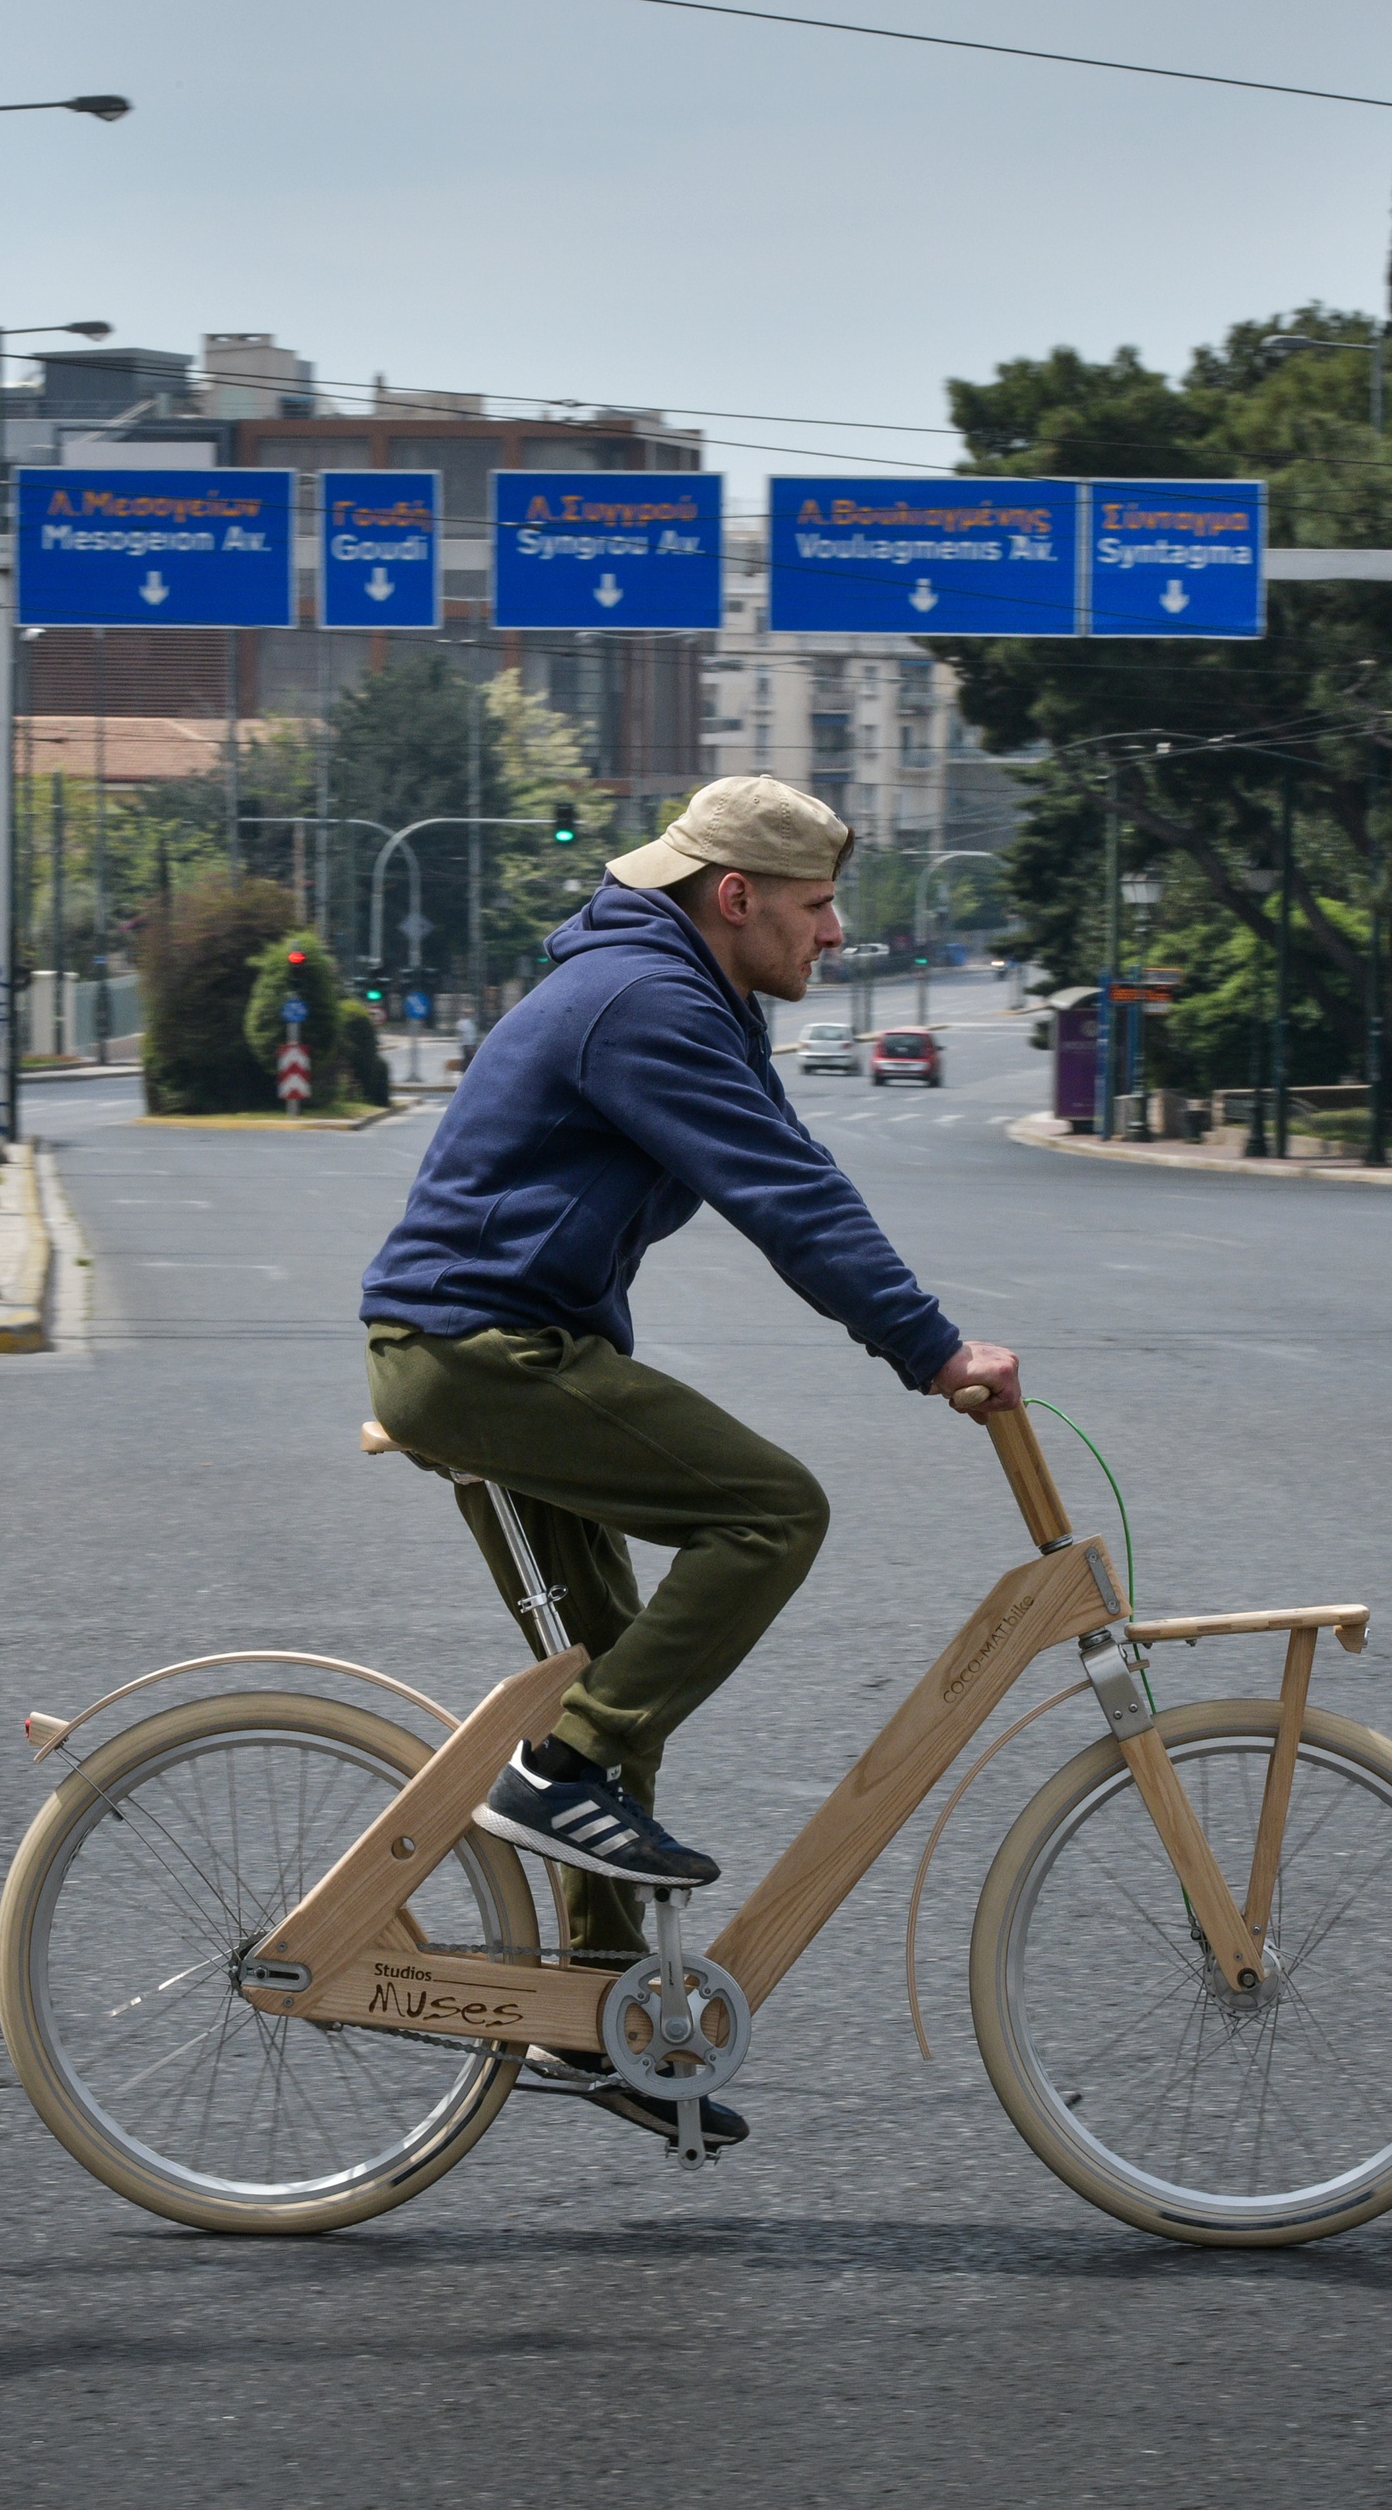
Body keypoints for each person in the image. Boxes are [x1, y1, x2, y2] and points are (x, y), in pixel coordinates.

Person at [359, 774, 1022, 2149]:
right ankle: (561, 1768)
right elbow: (786, 1193)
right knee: (772, 1511)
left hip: (483, 1353)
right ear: (736, 898)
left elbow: (780, 1156)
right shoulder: (647, 1003)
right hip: (487, 1354)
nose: (835, 934)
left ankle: (600, 2022)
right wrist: (933, 1348)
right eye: (817, 904)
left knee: (613, 1673)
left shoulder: (671, 990)